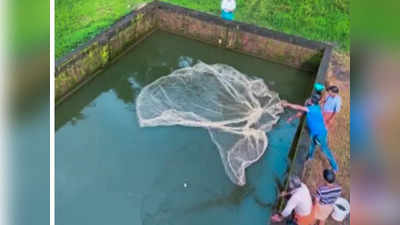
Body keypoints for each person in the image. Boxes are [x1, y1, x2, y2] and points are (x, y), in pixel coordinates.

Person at [281, 95, 339, 172]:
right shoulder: (315, 107)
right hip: (314, 132)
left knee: (325, 150)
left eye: (309, 100)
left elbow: (298, 107)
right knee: (312, 145)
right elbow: (300, 112)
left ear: (311, 102)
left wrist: (288, 104)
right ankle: (310, 157)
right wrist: (291, 118)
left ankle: (335, 167)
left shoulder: (312, 109)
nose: (308, 100)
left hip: (320, 133)